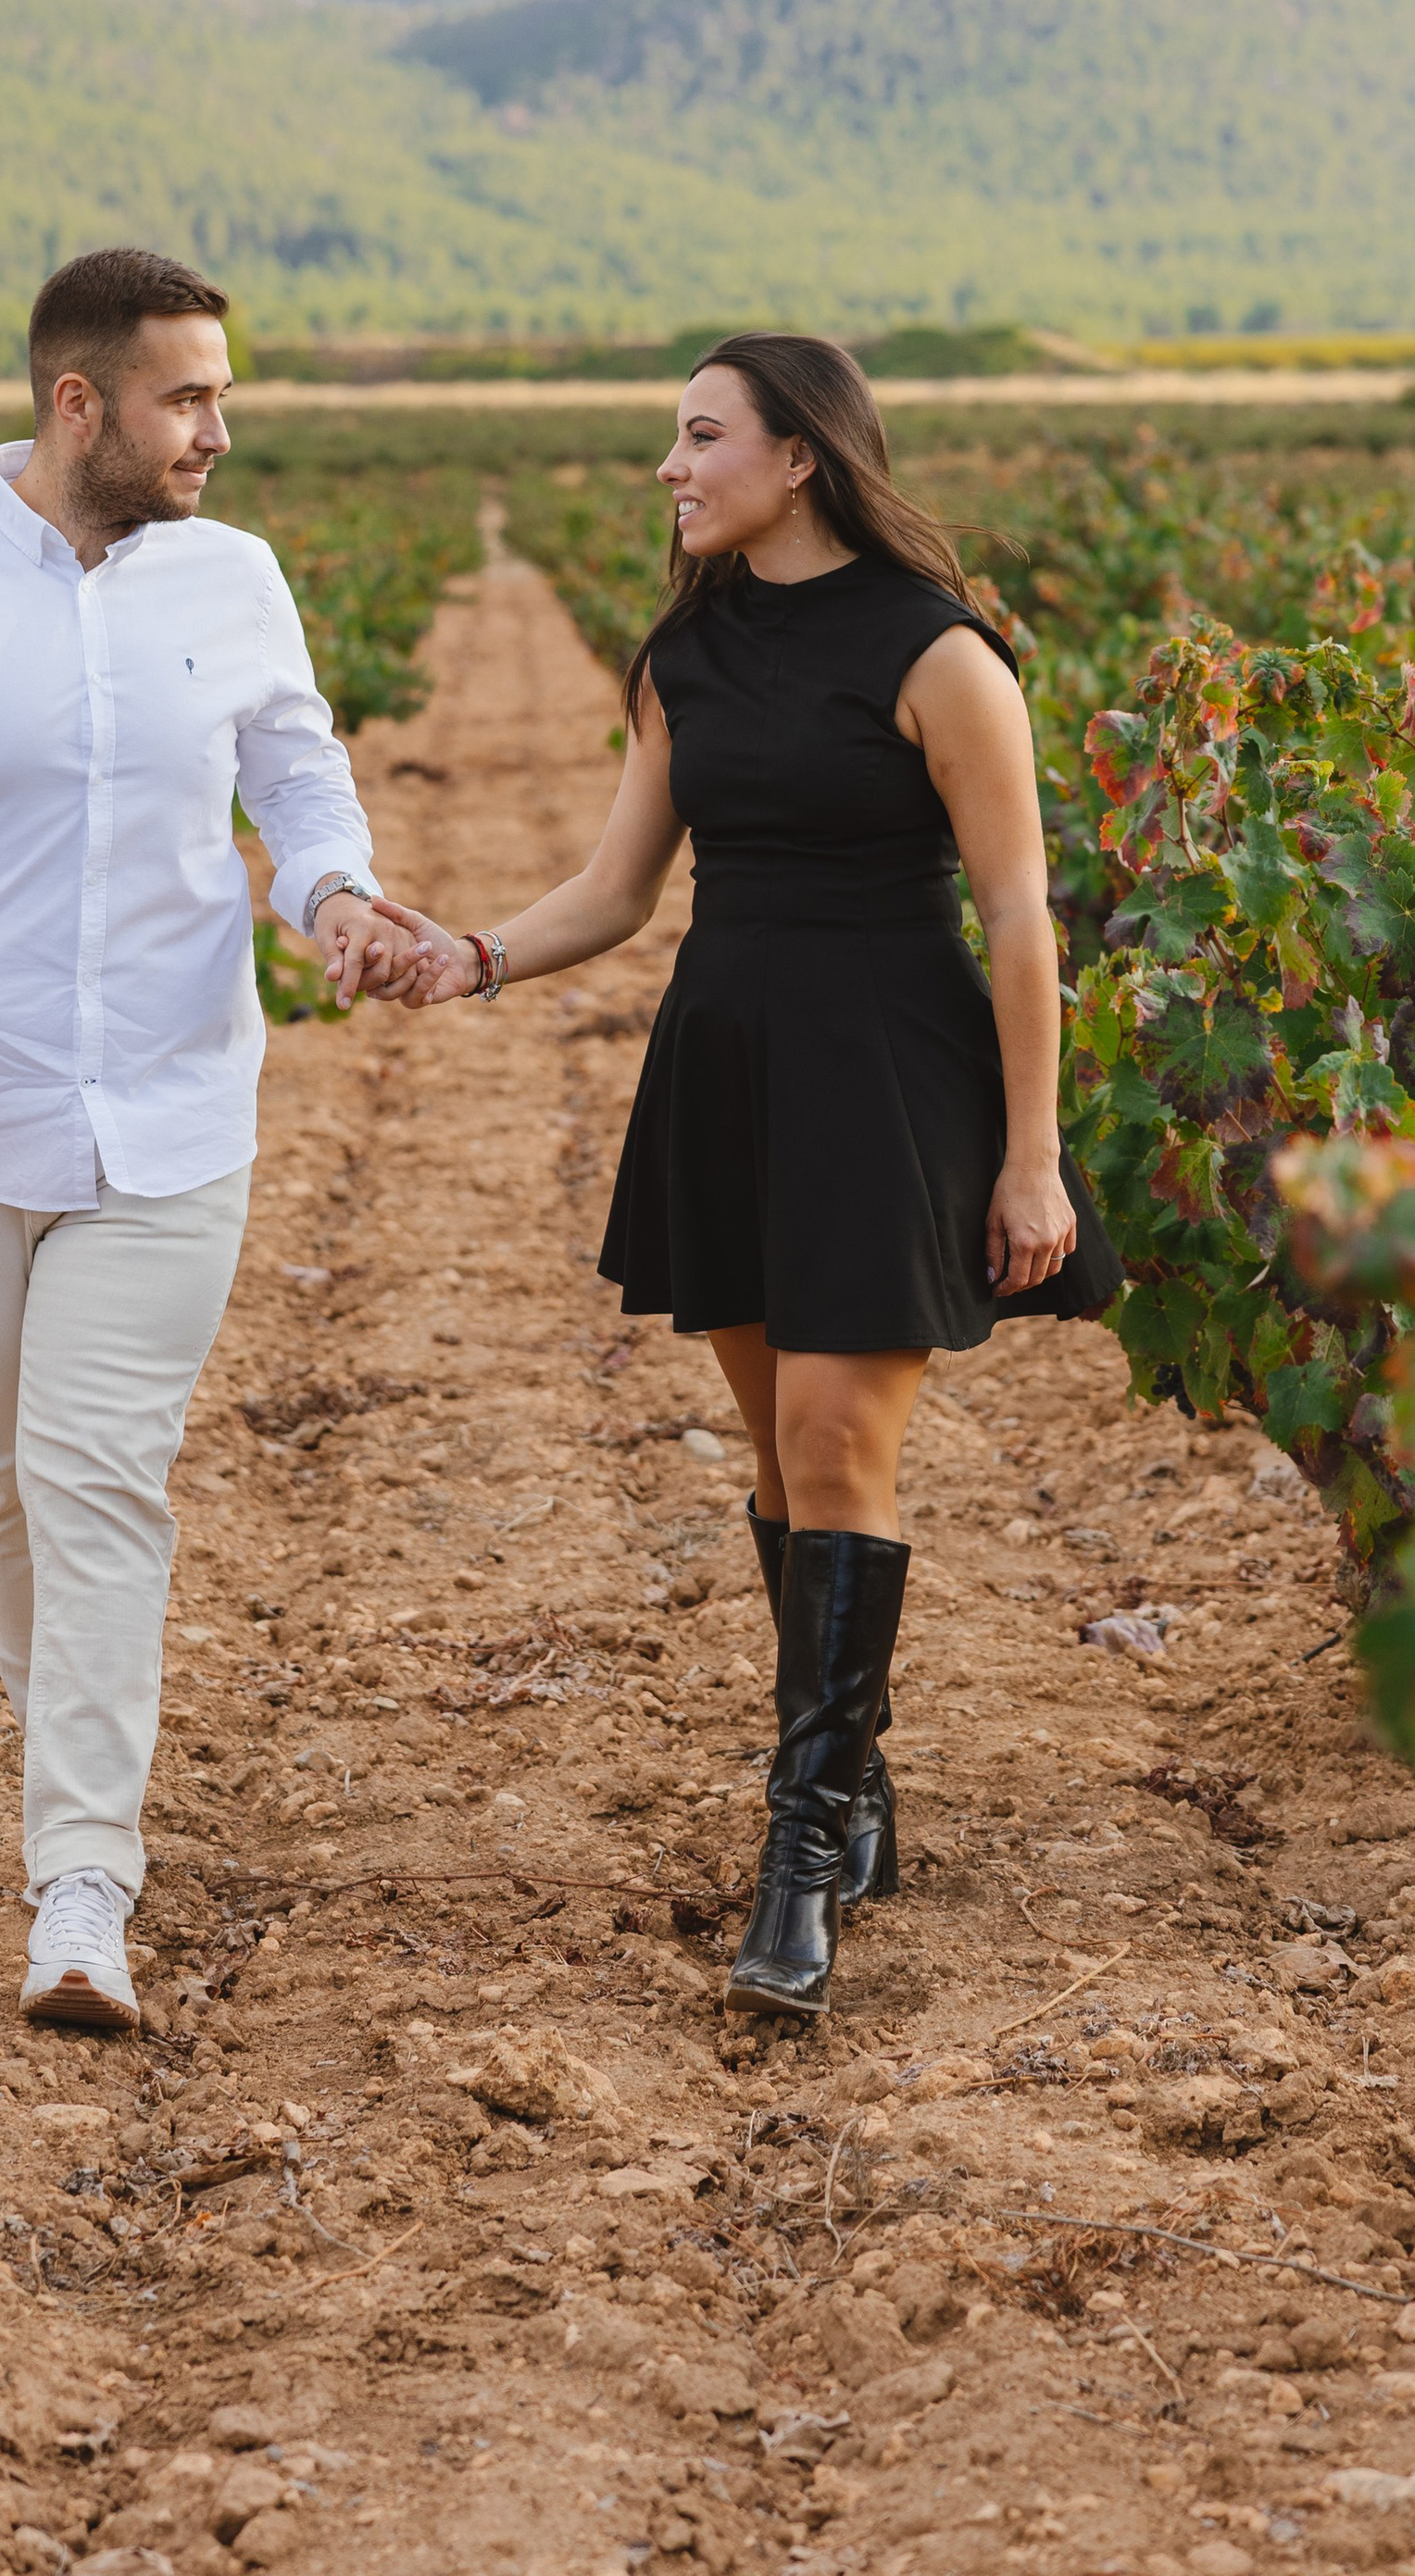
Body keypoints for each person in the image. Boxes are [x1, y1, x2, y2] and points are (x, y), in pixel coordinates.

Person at [377, 331, 1120, 2020]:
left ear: (802, 457)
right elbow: (620, 888)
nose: (671, 465)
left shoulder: (943, 659)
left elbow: (1019, 920)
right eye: (673, 434)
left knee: (839, 1438)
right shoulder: (683, 654)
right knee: (779, 1455)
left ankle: (799, 1856)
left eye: (702, 435)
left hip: (888, 1075)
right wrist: (474, 953)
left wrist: (1033, 1157)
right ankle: (855, 1786)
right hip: (729, 1060)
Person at [0, 246, 414, 2030]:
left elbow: (293, 771)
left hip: (175, 1108)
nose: (219, 431)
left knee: (97, 1475)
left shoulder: (237, 576)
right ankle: (83, 1794)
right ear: (80, 406)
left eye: (222, 395)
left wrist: (338, 895)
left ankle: (80, 1890)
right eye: (187, 398)